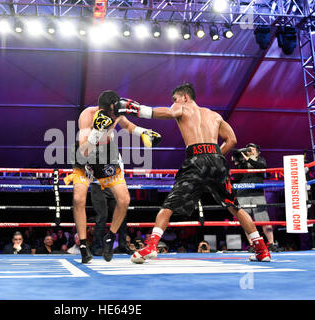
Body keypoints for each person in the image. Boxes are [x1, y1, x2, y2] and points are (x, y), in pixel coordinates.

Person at [114, 83, 271, 263]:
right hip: (216, 161)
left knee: (168, 206)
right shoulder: (215, 115)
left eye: (175, 99)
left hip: (196, 160)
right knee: (234, 206)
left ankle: (151, 247)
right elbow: (232, 140)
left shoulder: (181, 107)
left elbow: (167, 113)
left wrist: (135, 109)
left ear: (185, 97)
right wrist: (215, 156)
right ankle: (262, 250)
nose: (173, 103)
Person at [64, 90, 161, 263]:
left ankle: (110, 237)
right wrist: (97, 131)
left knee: (124, 200)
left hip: (107, 155)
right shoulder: (87, 115)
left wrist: (144, 132)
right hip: (84, 153)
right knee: (79, 199)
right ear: (109, 107)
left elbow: (128, 126)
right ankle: (84, 245)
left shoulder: (117, 113)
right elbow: (84, 151)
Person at [232, 143, 280, 252]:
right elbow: (236, 177)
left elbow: (262, 168)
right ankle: (252, 244)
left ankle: (271, 243)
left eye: (252, 149)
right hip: (243, 193)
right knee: (246, 220)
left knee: (263, 219)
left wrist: (249, 159)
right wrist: (238, 162)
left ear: (257, 151)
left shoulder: (261, 160)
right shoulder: (242, 161)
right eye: (249, 149)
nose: (250, 151)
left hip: (257, 194)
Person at [90, 182, 129, 256]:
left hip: (114, 184)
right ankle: (97, 247)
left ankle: (123, 246)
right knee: (102, 216)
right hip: (98, 184)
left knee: (121, 214)